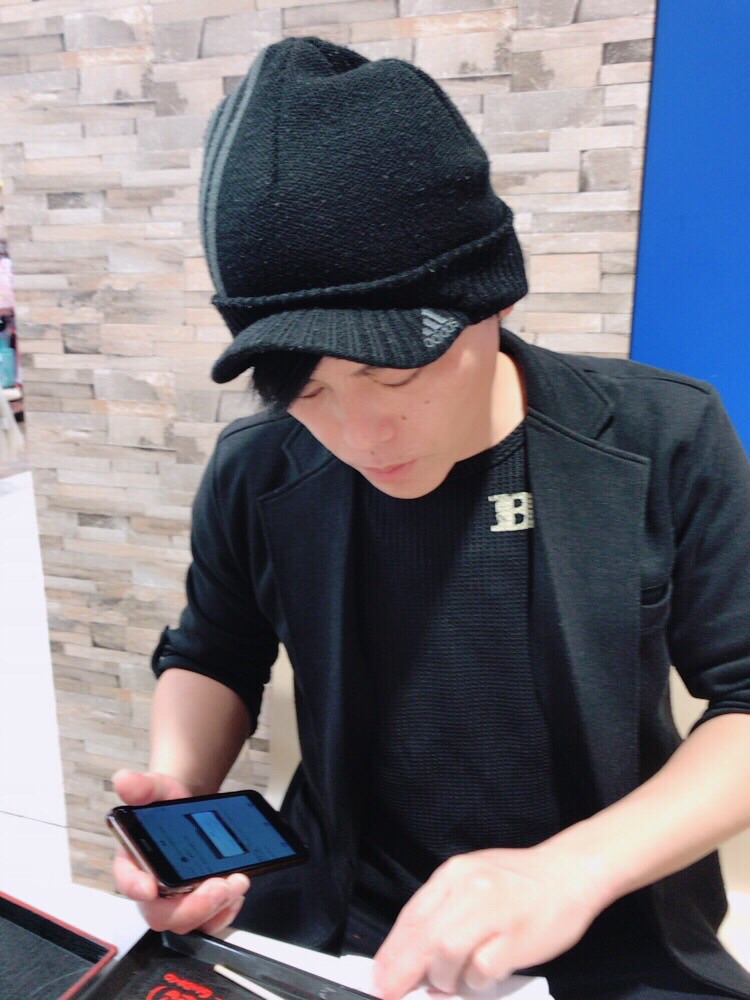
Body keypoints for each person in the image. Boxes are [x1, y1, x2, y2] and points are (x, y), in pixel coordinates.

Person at [112, 37, 750, 1000]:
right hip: (335, 924)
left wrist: (573, 870)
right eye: (308, 391)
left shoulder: (665, 436)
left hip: (612, 915)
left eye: (394, 373)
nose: (361, 435)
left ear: (490, 299)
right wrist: (178, 787)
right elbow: (215, 649)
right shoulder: (259, 467)